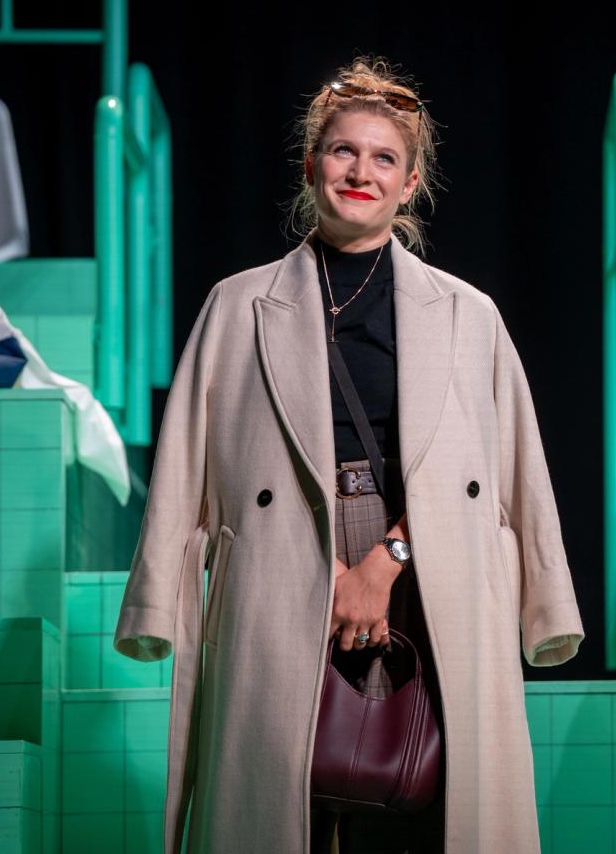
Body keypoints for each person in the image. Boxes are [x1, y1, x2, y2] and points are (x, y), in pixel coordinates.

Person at [116, 56, 583, 854]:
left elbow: (514, 473)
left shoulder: (468, 314)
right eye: (343, 151)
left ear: (410, 183)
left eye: (384, 158)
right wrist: (164, 601)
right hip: (282, 565)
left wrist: (388, 564)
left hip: (425, 570)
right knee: (284, 794)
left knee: (425, 798)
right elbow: (184, 465)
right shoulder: (238, 304)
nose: (361, 172)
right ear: (311, 165)